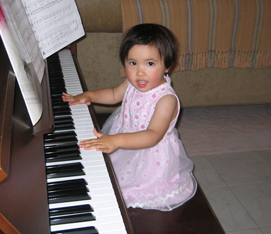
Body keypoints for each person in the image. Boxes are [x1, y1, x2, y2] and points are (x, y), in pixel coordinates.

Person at [62, 23, 197, 211]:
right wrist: (90, 95)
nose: (140, 72)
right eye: (132, 63)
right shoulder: (133, 82)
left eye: (150, 64)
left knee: (123, 189)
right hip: (127, 140)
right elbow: (113, 94)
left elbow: (153, 135)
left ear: (167, 66)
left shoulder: (166, 99)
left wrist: (117, 141)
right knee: (105, 169)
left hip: (151, 156)